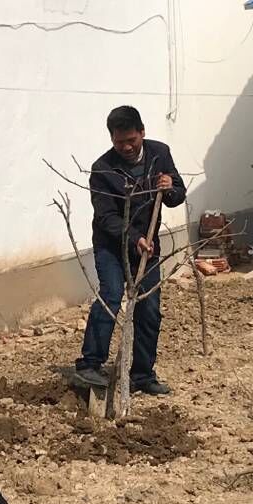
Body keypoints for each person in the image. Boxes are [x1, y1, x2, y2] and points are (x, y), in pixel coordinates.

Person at [73, 105, 188, 396]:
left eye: (131, 140)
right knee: (111, 296)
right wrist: (134, 238)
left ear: (142, 133)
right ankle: (90, 364)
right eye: (119, 141)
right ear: (111, 138)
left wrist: (170, 186)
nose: (126, 147)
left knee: (149, 308)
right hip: (112, 245)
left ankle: (142, 375)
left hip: (148, 247)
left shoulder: (159, 154)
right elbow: (106, 217)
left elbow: (177, 195)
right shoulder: (103, 169)